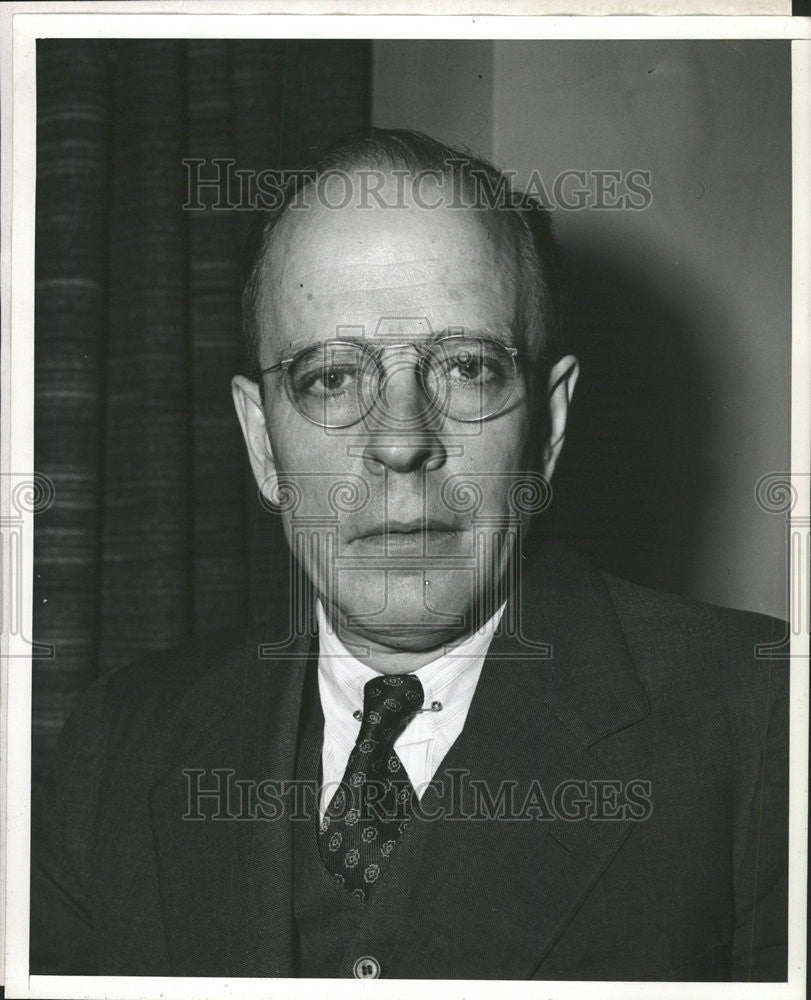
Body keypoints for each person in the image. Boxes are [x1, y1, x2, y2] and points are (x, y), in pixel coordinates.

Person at [30, 129, 788, 981]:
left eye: (464, 368)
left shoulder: (764, 725)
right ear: (260, 441)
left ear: (550, 426)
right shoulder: (116, 745)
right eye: (329, 377)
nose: (398, 441)